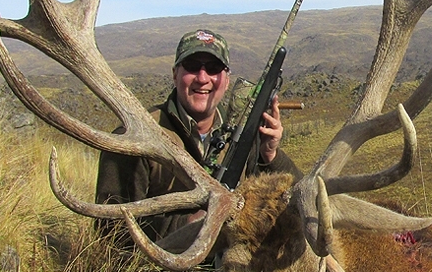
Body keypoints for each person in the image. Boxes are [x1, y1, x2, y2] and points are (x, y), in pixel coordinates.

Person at [95, 28, 300, 242]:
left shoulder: (239, 137)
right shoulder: (136, 136)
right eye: (192, 67)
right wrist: (190, 223)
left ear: (226, 80)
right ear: (175, 74)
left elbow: (300, 200)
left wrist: (271, 156)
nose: (203, 78)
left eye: (213, 69)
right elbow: (111, 232)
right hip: (159, 270)